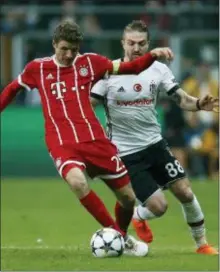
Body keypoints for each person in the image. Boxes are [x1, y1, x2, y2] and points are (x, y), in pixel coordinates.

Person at [0, 21, 174, 257]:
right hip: (61, 142)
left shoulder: (90, 62)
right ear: (54, 45)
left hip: (94, 140)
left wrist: (153, 55)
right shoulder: (37, 68)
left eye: (73, 49)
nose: (69, 54)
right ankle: (121, 238)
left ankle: (119, 233)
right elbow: (12, 89)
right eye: (64, 49)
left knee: (128, 199)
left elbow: (130, 68)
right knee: (77, 182)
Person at [90, 20, 219, 255]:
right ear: (123, 44)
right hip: (126, 153)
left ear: (148, 44)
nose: (136, 48)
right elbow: (88, 104)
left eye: (141, 43)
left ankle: (202, 245)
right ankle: (139, 215)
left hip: (155, 145)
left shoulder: (158, 69)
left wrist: (200, 103)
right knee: (159, 207)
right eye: (131, 43)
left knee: (186, 192)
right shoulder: (108, 72)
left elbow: (181, 99)